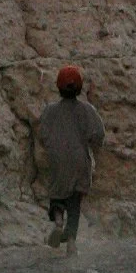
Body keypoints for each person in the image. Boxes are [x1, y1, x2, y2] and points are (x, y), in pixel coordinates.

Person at [37, 65, 105, 247]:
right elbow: (98, 134)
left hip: (57, 158)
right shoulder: (86, 110)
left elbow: (42, 134)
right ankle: (72, 242)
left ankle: (58, 221)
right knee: (74, 201)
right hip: (79, 159)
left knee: (57, 195)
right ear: (80, 87)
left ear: (58, 87)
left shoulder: (50, 110)